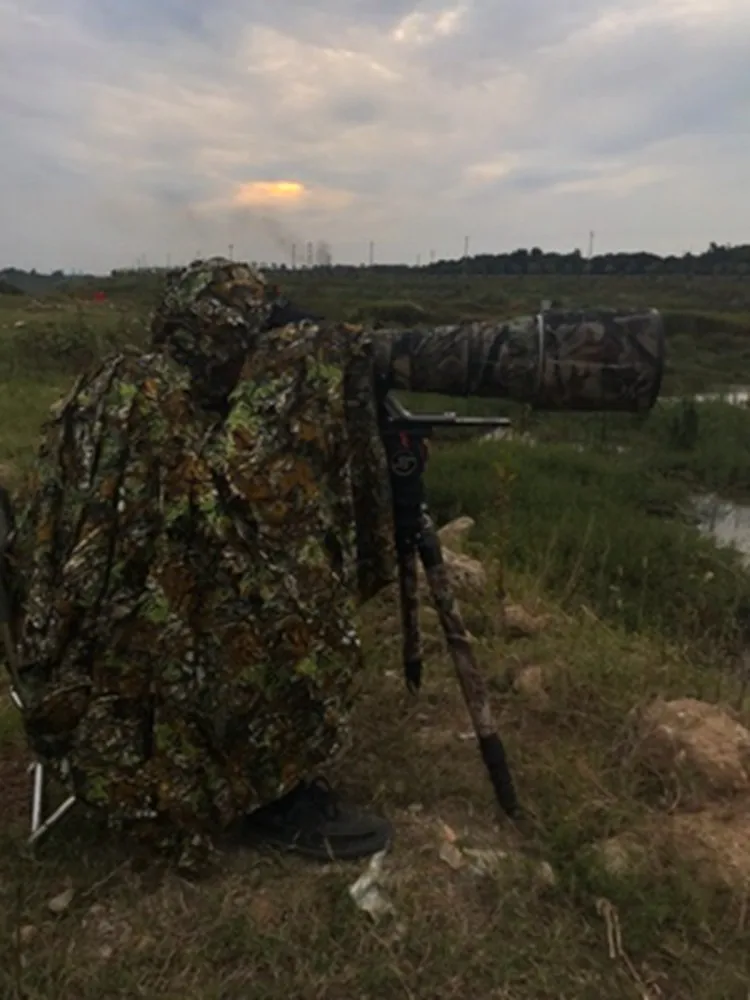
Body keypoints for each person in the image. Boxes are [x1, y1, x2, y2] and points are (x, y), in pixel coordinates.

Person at [4, 257, 664, 870]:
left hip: (77, 657)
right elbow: (238, 539)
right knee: (291, 600)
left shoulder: (113, 395)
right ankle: (269, 795)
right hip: (128, 679)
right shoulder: (152, 410)